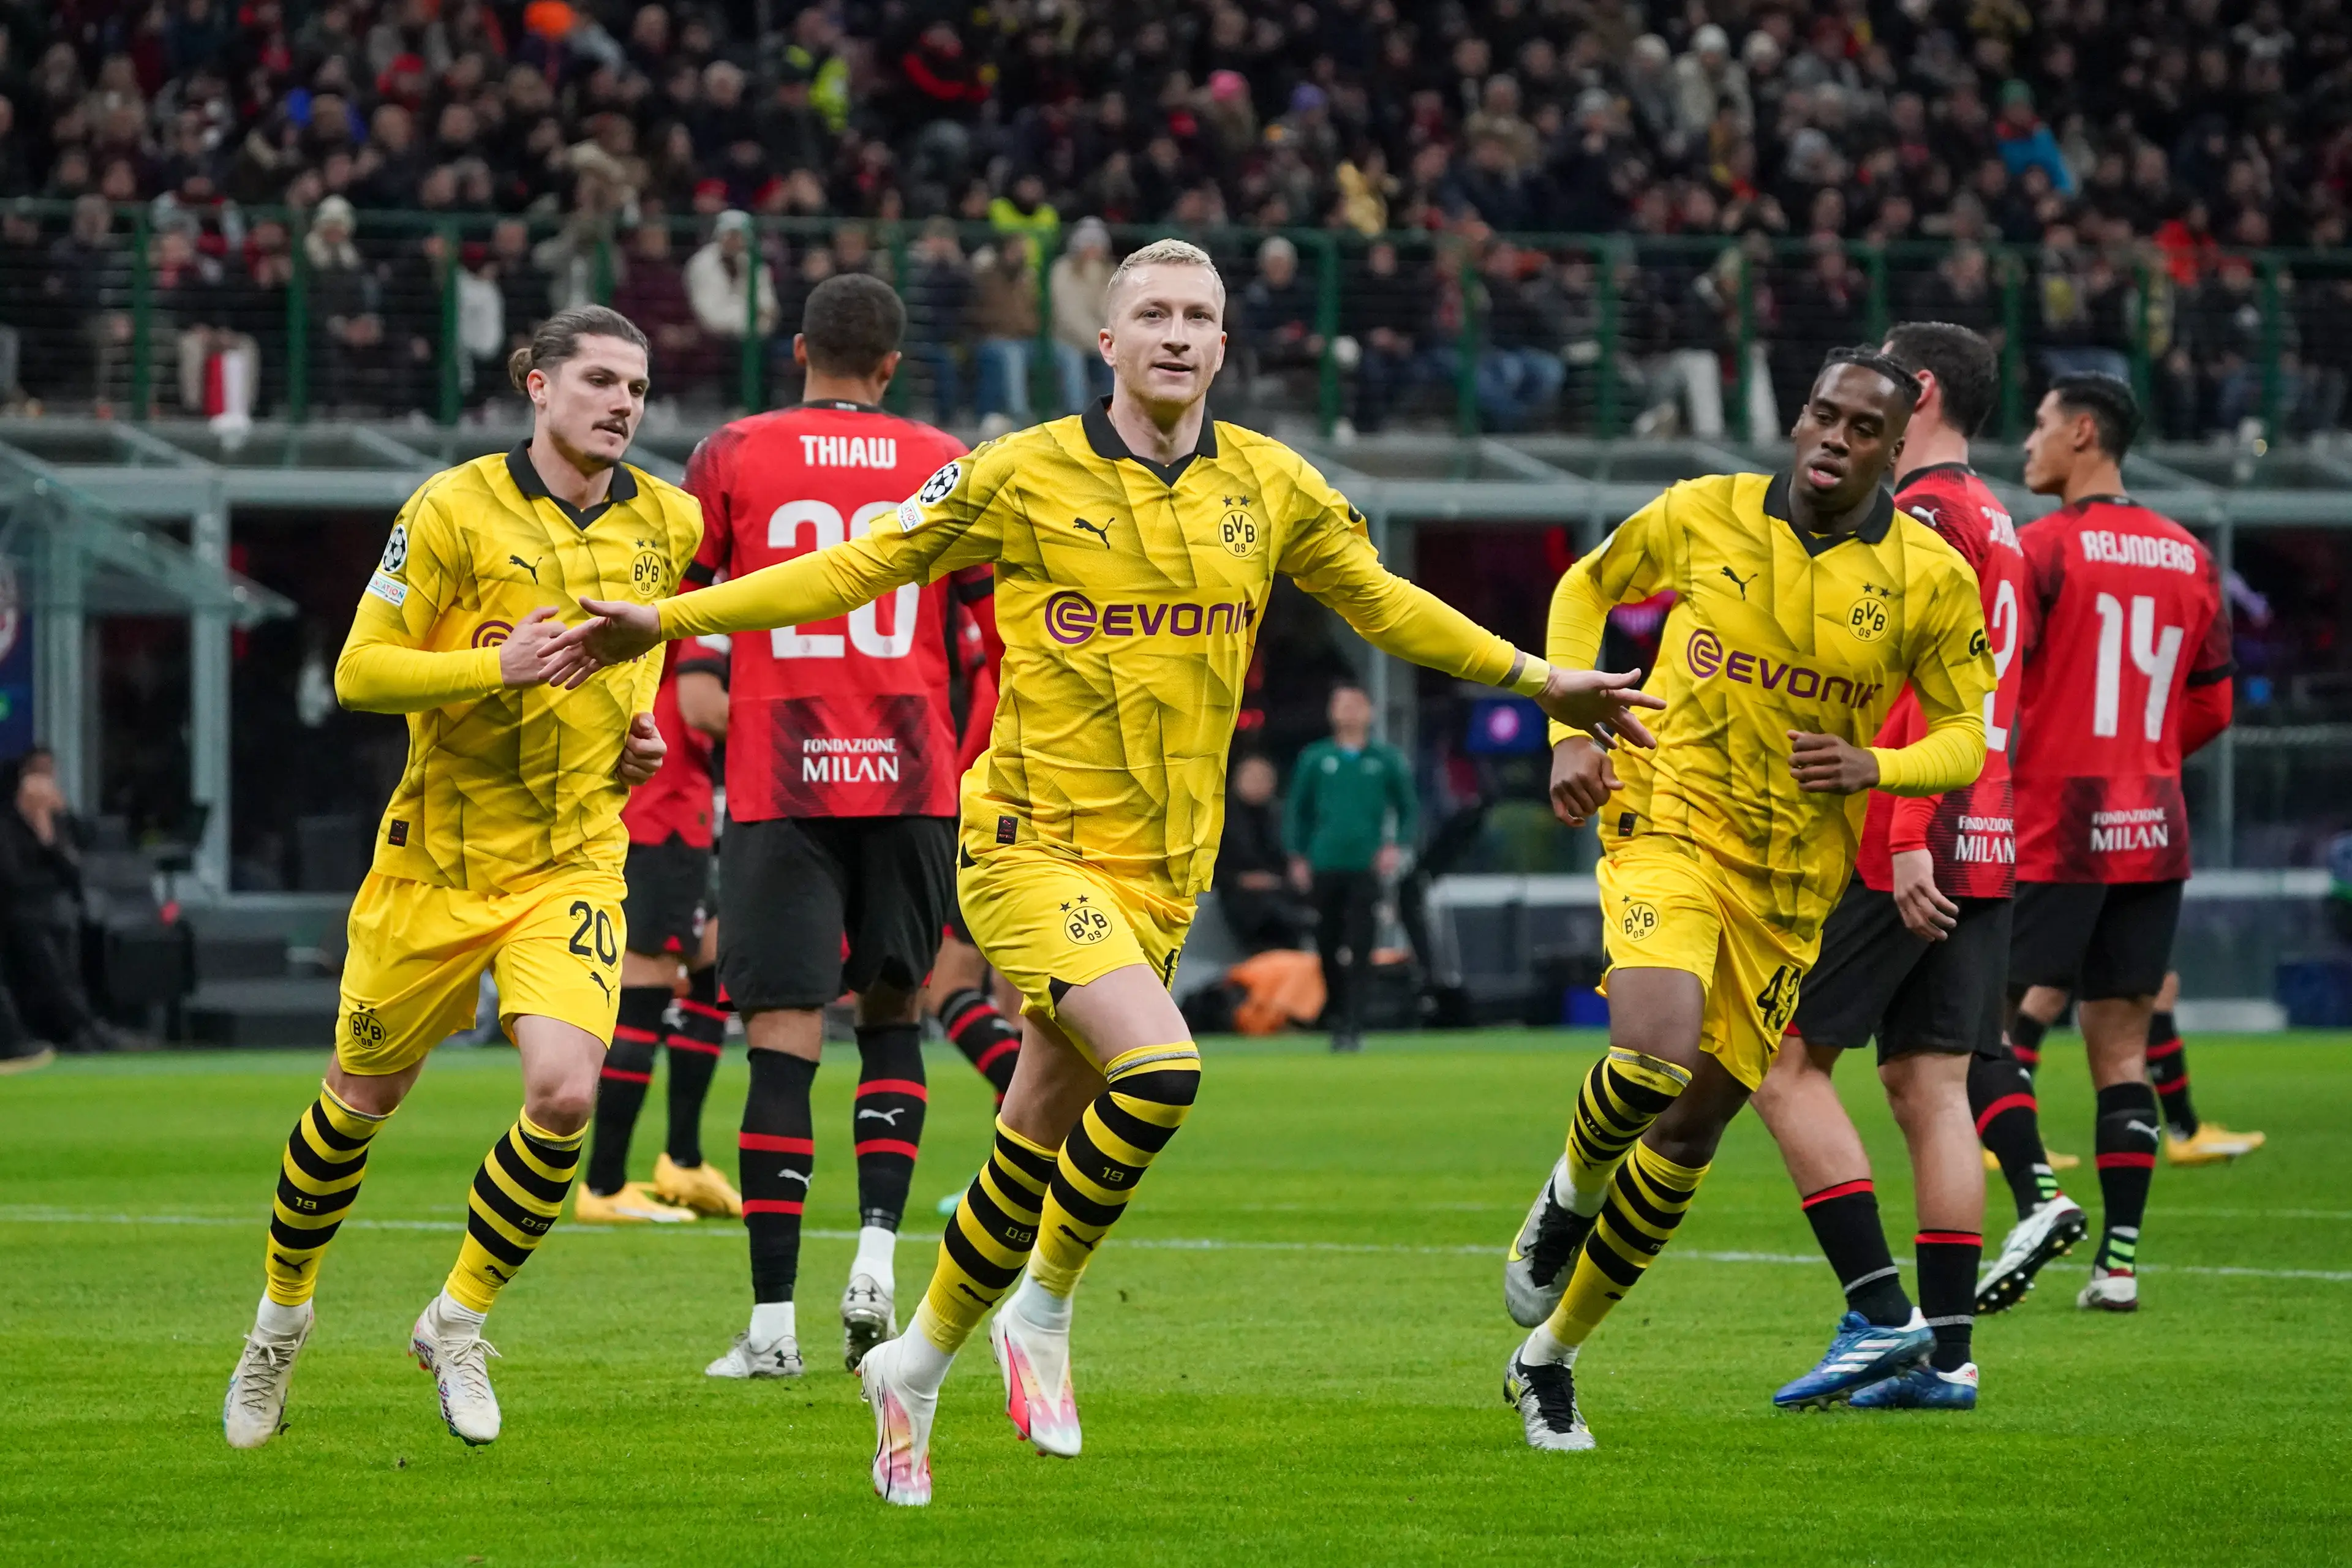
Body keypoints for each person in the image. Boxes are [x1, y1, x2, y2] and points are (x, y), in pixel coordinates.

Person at [548, 237, 1659, 1505]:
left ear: (1224, 347)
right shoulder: (1016, 474)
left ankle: (911, 1361)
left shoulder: (1271, 483)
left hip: (1164, 870)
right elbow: (856, 565)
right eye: (1155, 314)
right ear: (1110, 343)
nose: (1179, 333)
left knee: (1033, 1132)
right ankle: (1046, 1310)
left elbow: (1385, 602)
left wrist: (1542, 676)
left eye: (1201, 314)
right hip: (1027, 840)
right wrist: (675, 618)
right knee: (1163, 1069)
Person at [1500, 346, 1996, 1452]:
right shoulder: (1703, 512)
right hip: (1668, 817)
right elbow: (1587, 586)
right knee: (1653, 1052)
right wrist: (1569, 725)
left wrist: (1880, 770)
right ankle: (1568, 1202)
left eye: (1861, 429)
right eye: (1821, 416)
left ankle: (1549, 1359)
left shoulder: (1929, 578)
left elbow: (1968, 735)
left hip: (1791, 882)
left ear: (1893, 447)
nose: (1833, 439)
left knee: (1690, 1131)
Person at [218, 306, 696, 1452]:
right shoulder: (450, 506)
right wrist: (497, 665)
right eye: (597, 381)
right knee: (358, 1105)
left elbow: (644, 663)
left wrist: (636, 736)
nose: (622, 403)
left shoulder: (669, 520)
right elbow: (359, 672)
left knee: (566, 1094)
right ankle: (281, 1320)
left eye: (636, 385)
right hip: (437, 861)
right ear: (536, 385)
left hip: (574, 854)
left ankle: (458, 1319)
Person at [668, 272, 992, 1382]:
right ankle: (874, 1261)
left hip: (781, 775)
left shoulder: (734, 453)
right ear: (894, 365)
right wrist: (969, 759)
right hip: (913, 777)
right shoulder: (949, 461)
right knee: (895, 1015)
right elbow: (989, 638)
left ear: (797, 345)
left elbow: (685, 604)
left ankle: (770, 1330)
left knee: (780, 1036)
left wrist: (703, 682)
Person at [1746, 322, 2021, 1412]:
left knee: (1782, 1062)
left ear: (1915, 391)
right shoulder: (1999, 514)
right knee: (1931, 1086)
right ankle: (1948, 1357)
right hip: (1987, 823)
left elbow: (1912, 681)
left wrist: (1904, 831)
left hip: (1902, 826)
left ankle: (1878, 1314)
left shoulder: (1921, 517)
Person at [1988, 374, 2234, 1315]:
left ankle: (2040, 1202)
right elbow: (2212, 699)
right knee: (2121, 1049)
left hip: (2056, 825)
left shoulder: (2040, 549)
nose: (2028, 444)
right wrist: (2147, 757)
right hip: (2154, 828)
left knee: (1980, 1031)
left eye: (2042, 425)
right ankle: (2119, 1266)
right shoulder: (2186, 553)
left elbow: (1999, 686)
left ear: (2084, 433)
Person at [573, 637, 737, 1224]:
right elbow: (701, 708)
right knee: (646, 985)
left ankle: (684, 1159)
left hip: (684, 815)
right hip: (657, 816)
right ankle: (604, 1182)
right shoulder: (683, 614)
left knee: (716, 962)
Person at [2005, 968, 2265, 1167]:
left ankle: (2006, 1138)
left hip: (2084, 899)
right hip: (2087, 898)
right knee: (2048, 989)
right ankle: (2184, 1131)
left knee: (2048, 990)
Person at [1286, 682, 1415, 1052]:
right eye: (1342, 705)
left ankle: (1354, 1024)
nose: (1350, 712)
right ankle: (1336, 1014)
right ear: (1331, 711)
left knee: (1362, 944)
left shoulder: (1385, 759)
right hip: (1324, 863)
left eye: (1357, 705)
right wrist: (1297, 855)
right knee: (1326, 941)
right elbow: (1298, 810)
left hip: (1365, 865)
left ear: (1370, 712)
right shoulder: (1316, 758)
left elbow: (1408, 809)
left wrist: (1396, 847)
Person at [1215, 753, 1306, 954]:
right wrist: (1241, 879)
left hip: (1280, 887)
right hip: (1240, 892)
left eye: (1264, 778)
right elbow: (1213, 866)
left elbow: (1288, 856)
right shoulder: (1220, 818)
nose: (1258, 783)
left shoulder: (1280, 817)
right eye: (1252, 777)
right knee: (1266, 911)